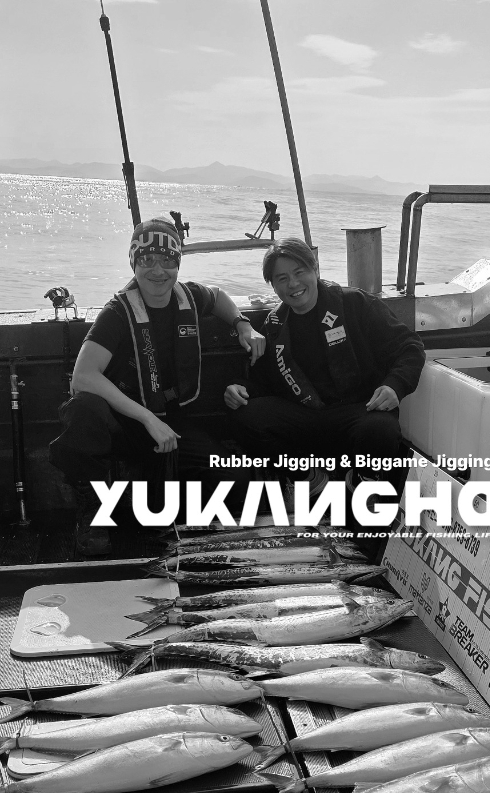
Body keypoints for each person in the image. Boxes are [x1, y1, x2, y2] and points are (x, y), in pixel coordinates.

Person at [49, 216, 265, 555]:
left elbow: (217, 296)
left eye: (167, 260)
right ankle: (92, 511)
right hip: (125, 426)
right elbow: (83, 376)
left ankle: (163, 503)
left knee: (236, 482)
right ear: (133, 263)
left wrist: (243, 325)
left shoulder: (189, 296)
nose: (158, 270)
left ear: (177, 264)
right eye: (147, 260)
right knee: (83, 408)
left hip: (172, 425)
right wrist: (147, 418)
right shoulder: (117, 312)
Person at [224, 237, 425, 510]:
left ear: (315, 269)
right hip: (305, 415)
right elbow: (263, 383)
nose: (293, 284)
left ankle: (361, 482)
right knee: (244, 416)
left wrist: (395, 386)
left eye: (299, 272)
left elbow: (410, 347)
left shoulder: (354, 303)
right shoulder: (274, 324)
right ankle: (310, 479)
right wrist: (238, 388)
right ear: (273, 285)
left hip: (358, 409)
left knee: (381, 429)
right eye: (282, 278)